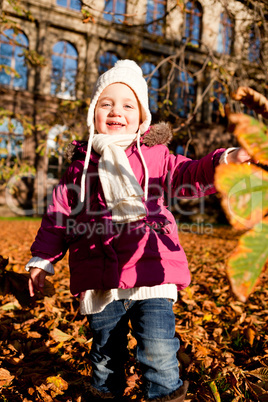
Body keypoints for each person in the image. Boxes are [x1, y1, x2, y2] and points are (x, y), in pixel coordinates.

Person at [25, 60, 250, 402]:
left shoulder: (155, 156)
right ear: (93, 113)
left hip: (151, 272)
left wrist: (224, 161)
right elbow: (59, 215)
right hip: (99, 277)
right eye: (107, 103)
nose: (117, 111)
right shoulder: (80, 166)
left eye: (128, 105)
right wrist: (42, 259)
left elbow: (189, 174)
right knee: (105, 356)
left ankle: (164, 395)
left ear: (142, 117)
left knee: (158, 351)